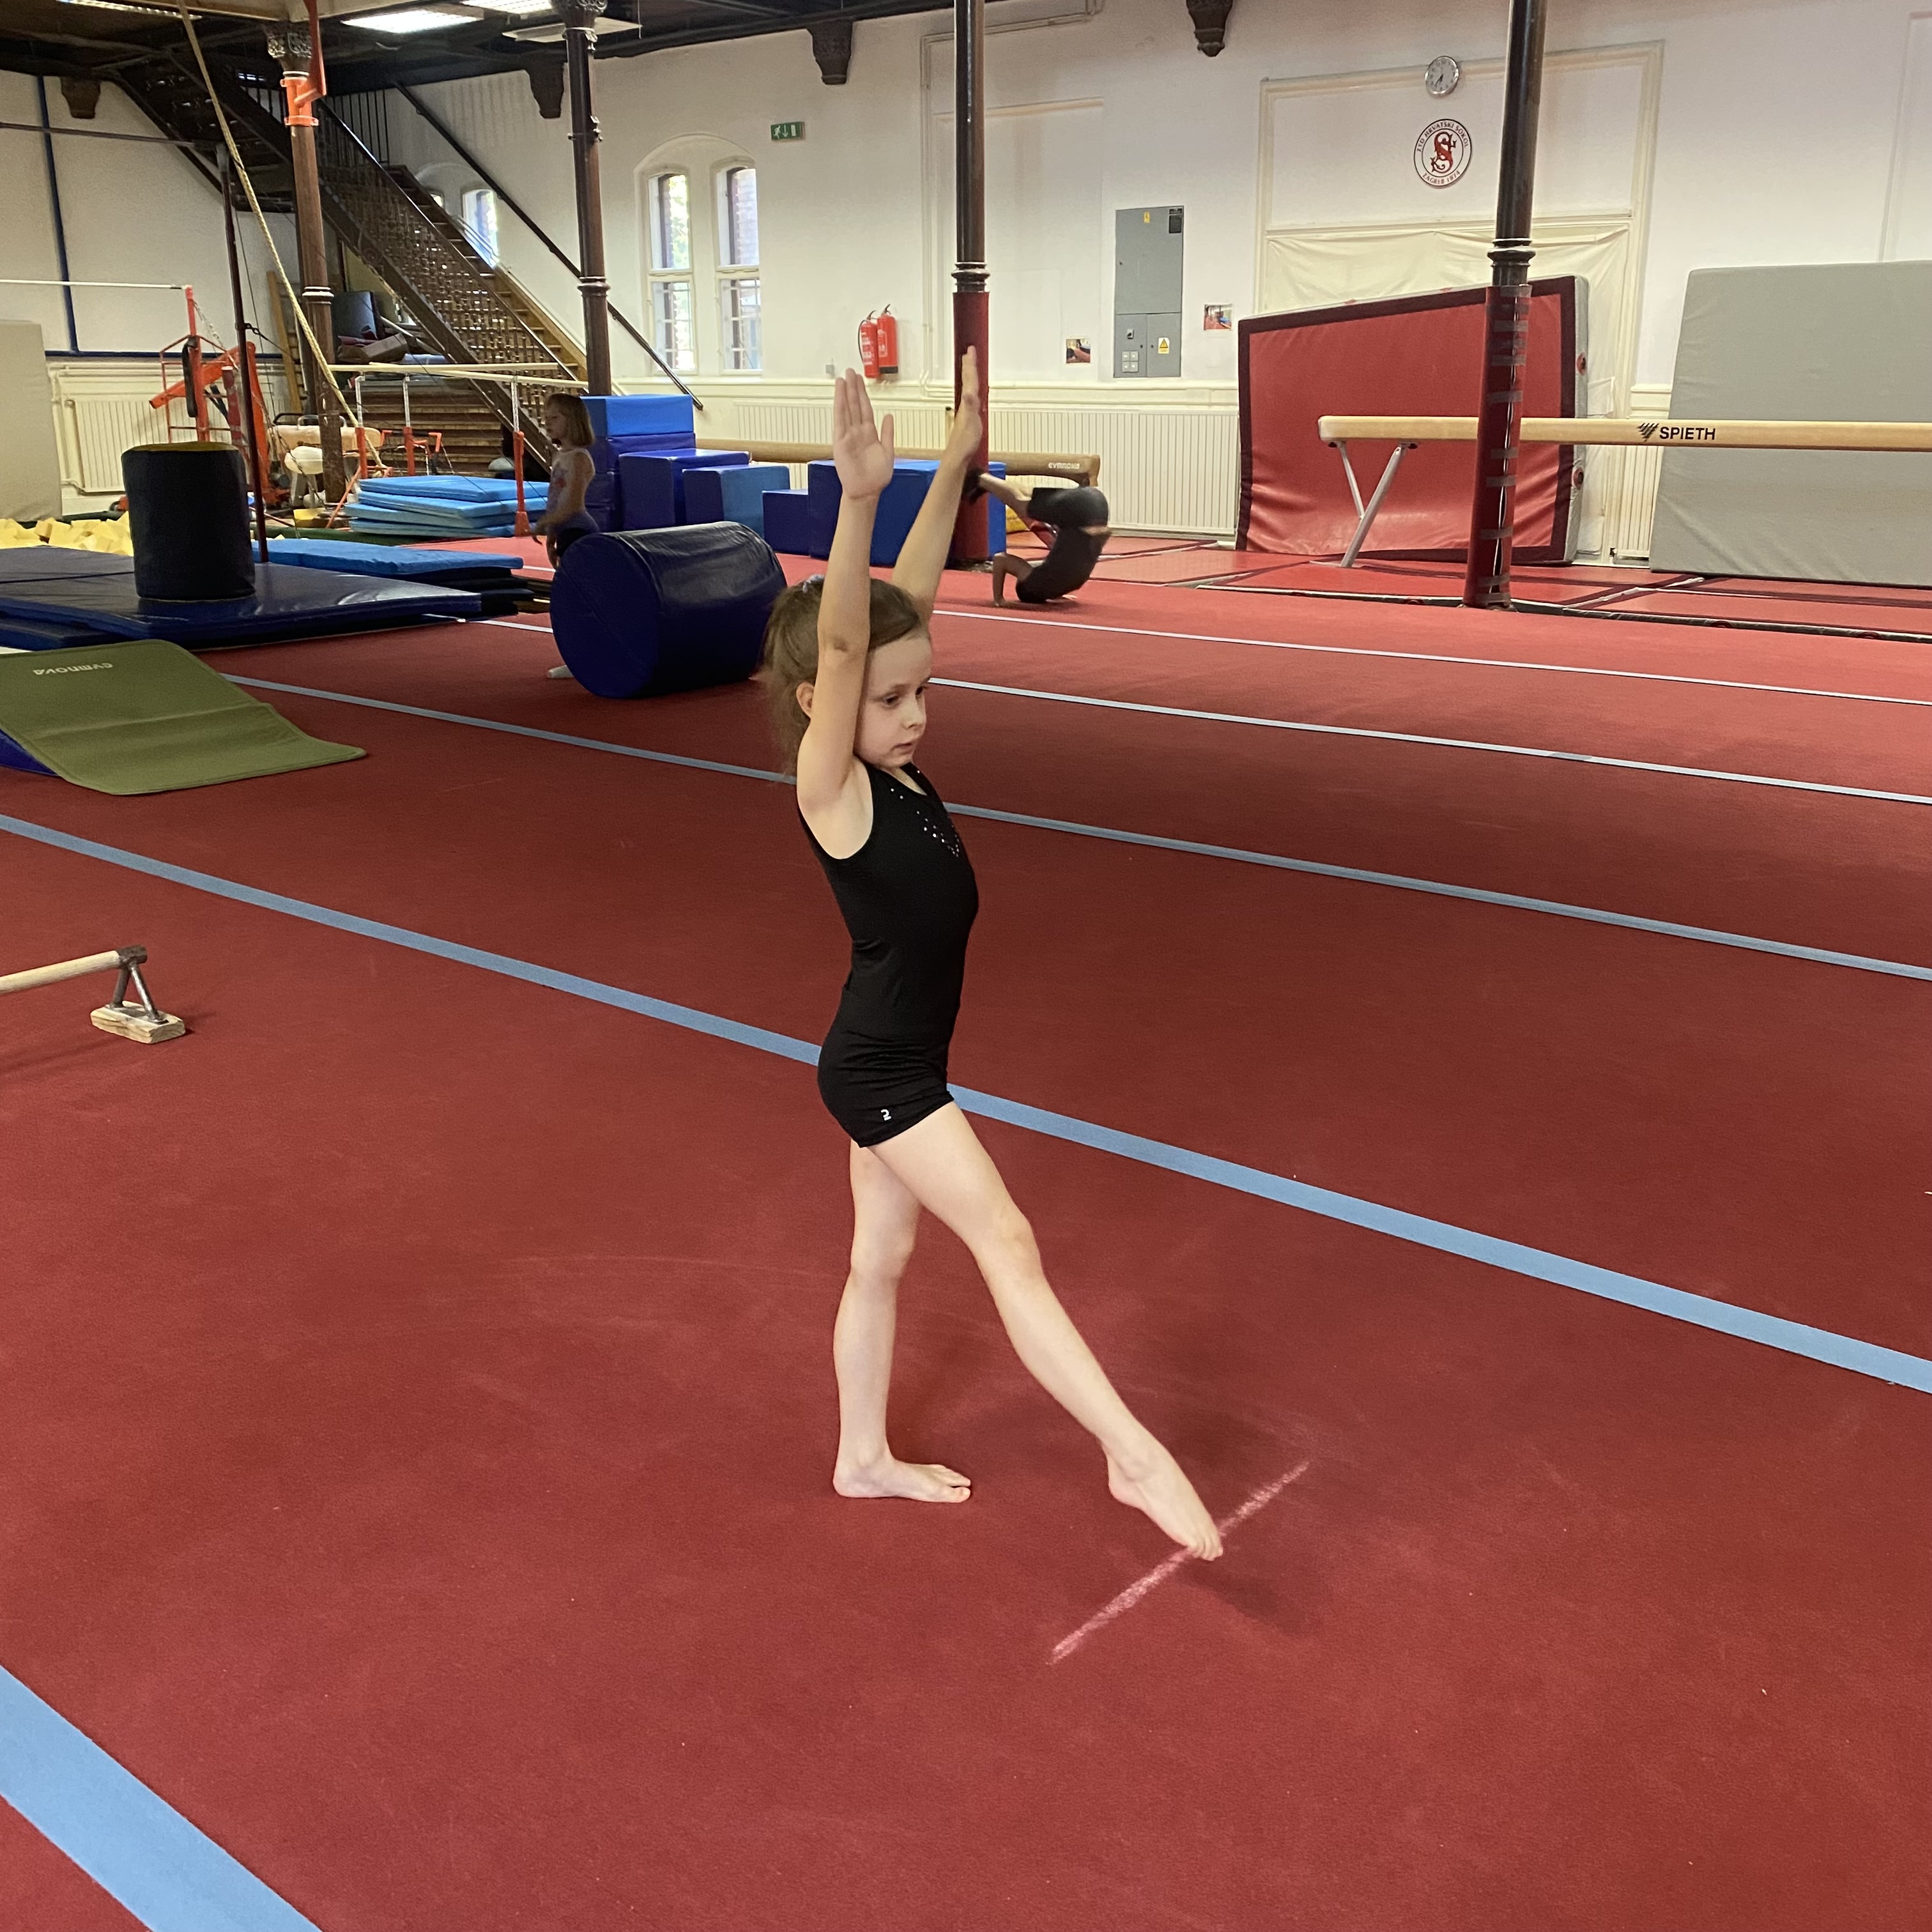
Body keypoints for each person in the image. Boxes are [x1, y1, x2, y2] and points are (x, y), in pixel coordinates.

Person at [758, 351, 1222, 1559]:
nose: (914, 716)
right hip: (881, 1070)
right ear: (819, 705)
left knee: (879, 1259)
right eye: (889, 701)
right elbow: (849, 646)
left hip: (891, 1050)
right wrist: (857, 501)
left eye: (924, 694)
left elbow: (892, 622)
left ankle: (861, 1457)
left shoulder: (892, 759)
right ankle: (1128, 1453)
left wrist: (955, 462)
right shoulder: (832, 788)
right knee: (1005, 1239)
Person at [981, 473, 1112, 606]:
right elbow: (1000, 559)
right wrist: (999, 599)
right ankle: (980, 478)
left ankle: (980, 479)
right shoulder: (1034, 584)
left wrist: (1057, 594)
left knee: (1028, 500)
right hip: (1086, 509)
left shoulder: (1065, 584)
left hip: (1095, 510)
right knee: (1024, 504)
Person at [533, 393, 596, 568]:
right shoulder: (559, 456)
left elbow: (574, 505)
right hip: (562, 529)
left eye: (555, 418)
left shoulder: (579, 458)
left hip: (578, 529)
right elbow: (555, 498)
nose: (548, 422)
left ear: (573, 421)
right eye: (546, 418)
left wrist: (545, 522)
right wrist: (551, 536)